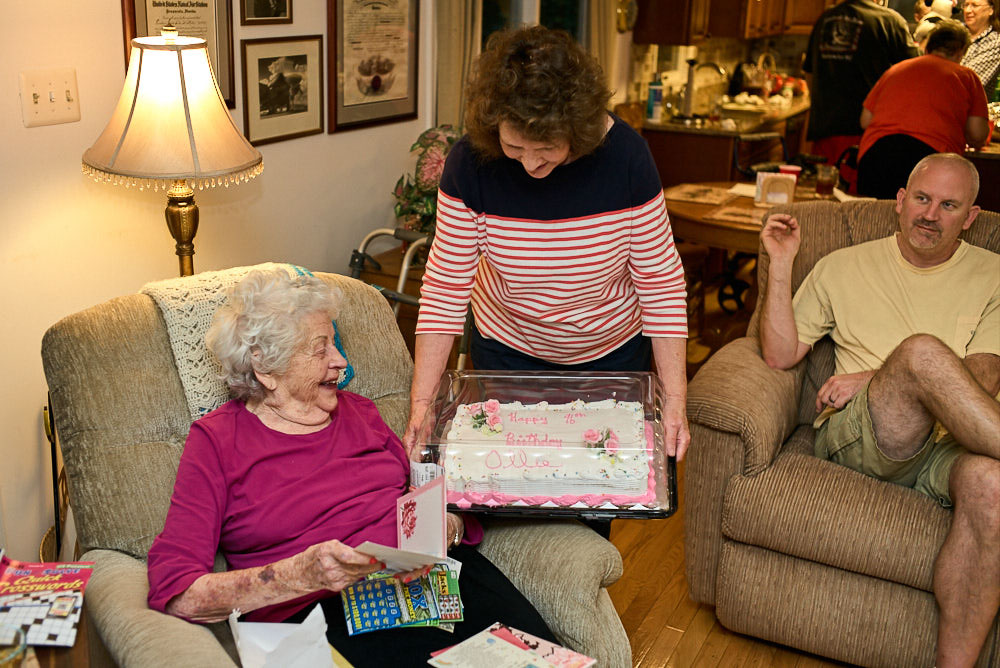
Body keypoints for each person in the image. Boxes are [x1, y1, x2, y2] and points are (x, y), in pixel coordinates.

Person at [146, 269, 556, 666]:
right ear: (265, 368)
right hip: (321, 610)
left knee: (545, 660)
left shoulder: (359, 411)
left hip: (430, 578)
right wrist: (298, 575)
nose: (341, 361)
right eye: (320, 348)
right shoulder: (216, 442)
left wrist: (450, 521)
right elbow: (177, 590)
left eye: (335, 344)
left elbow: (420, 491)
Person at [404, 26, 690, 470]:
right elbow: (445, 287)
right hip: (506, 351)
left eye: (546, 149)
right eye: (514, 146)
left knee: (598, 479)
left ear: (578, 129)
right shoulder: (469, 164)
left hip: (610, 355)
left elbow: (661, 284)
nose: (531, 164)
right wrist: (422, 405)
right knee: (506, 477)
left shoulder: (627, 159)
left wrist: (675, 399)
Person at [759, 153, 999, 668]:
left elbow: (982, 381)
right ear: (900, 201)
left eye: (949, 205)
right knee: (920, 352)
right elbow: (779, 354)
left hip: (953, 446)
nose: (930, 214)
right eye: (922, 198)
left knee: (993, 484)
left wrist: (871, 376)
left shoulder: (994, 274)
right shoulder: (842, 265)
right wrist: (780, 264)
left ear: (971, 218)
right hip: (865, 435)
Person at [856, 20, 990, 199]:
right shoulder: (966, 77)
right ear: (960, 51)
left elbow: (865, 121)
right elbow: (977, 134)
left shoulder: (896, 70)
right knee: (922, 214)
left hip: (875, 155)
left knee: (874, 214)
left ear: (928, 46)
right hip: (929, 160)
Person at [803, 0, 919, 191]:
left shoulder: (825, 18)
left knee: (823, 195)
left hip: (825, 127)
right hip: (867, 131)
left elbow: (809, 73)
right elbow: (915, 72)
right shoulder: (888, 20)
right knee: (856, 199)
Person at [961, 0, 1000, 98]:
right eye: (966, 5)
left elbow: (966, 83)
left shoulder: (995, 42)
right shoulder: (954, 32)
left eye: (974, 5)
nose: (967, 10)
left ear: (991, 10)